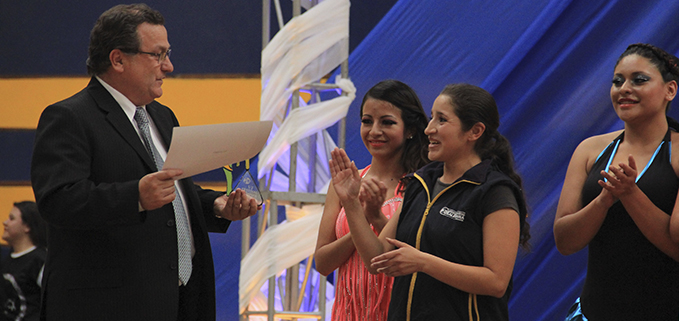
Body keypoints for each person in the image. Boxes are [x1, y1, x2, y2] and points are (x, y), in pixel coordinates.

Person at [30, 4, 259, 321]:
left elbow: (174, 192)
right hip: (111, 306)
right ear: (118, 59)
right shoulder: (70, 117)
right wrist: (135, 197)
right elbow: (58, 200)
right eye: (158, 55)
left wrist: (217, 206)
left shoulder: (162, 117)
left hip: (181, 300)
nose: (169, 66)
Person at [329, 83, 530, 320]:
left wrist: (423, 262)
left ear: (474, 132)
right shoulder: (421, 182)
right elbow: (377, 260)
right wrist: (351, 203)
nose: (428, 129)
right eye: (431, 117)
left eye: (441, 120)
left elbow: (496, 281)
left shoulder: (495, 192)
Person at [554, 43, 679, 320]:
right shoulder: (589, 150)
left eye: (639, 80)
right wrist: (603, 201)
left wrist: (630, 194)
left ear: (670, 90)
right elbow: (565, 242)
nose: (624, 88)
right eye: (617, 81)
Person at [314, 80, 430, 320]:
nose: (374, 131)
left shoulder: (423, 187)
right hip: (348, 313)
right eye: (367, 121)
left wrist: (366, 217)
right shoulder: (345, 185)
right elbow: (323, 263)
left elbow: (407, 256)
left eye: (387, 122)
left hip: (400, 311)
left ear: (409, 130)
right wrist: (358, 216)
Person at [0, 201, 47, 321]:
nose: (5, 222)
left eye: (12, 219)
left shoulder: (39, 261)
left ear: (27, 226)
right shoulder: (7, 260)